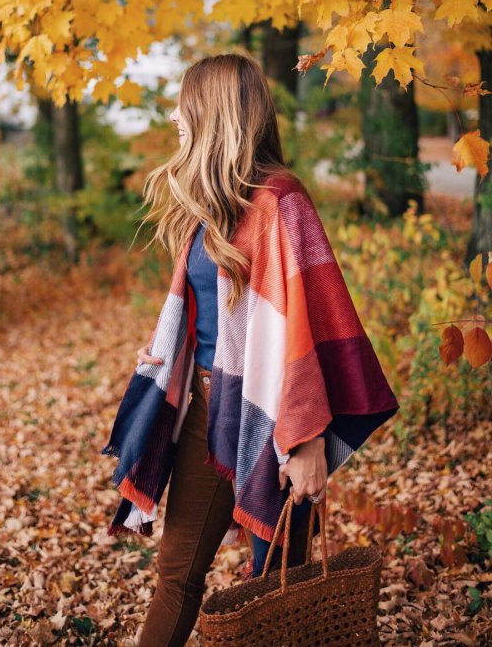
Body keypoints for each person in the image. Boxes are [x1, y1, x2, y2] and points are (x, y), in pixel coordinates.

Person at [101, 53, 399, 647]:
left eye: (185, 105)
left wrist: (307, 438)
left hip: (278, 419)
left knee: (275, 593)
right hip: (208, 408)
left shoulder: (282, 201)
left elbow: (309, 323)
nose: (175, 117)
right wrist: (173, 349)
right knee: (177, 576)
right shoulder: (211, 206)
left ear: (213, 113)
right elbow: (209, 312)